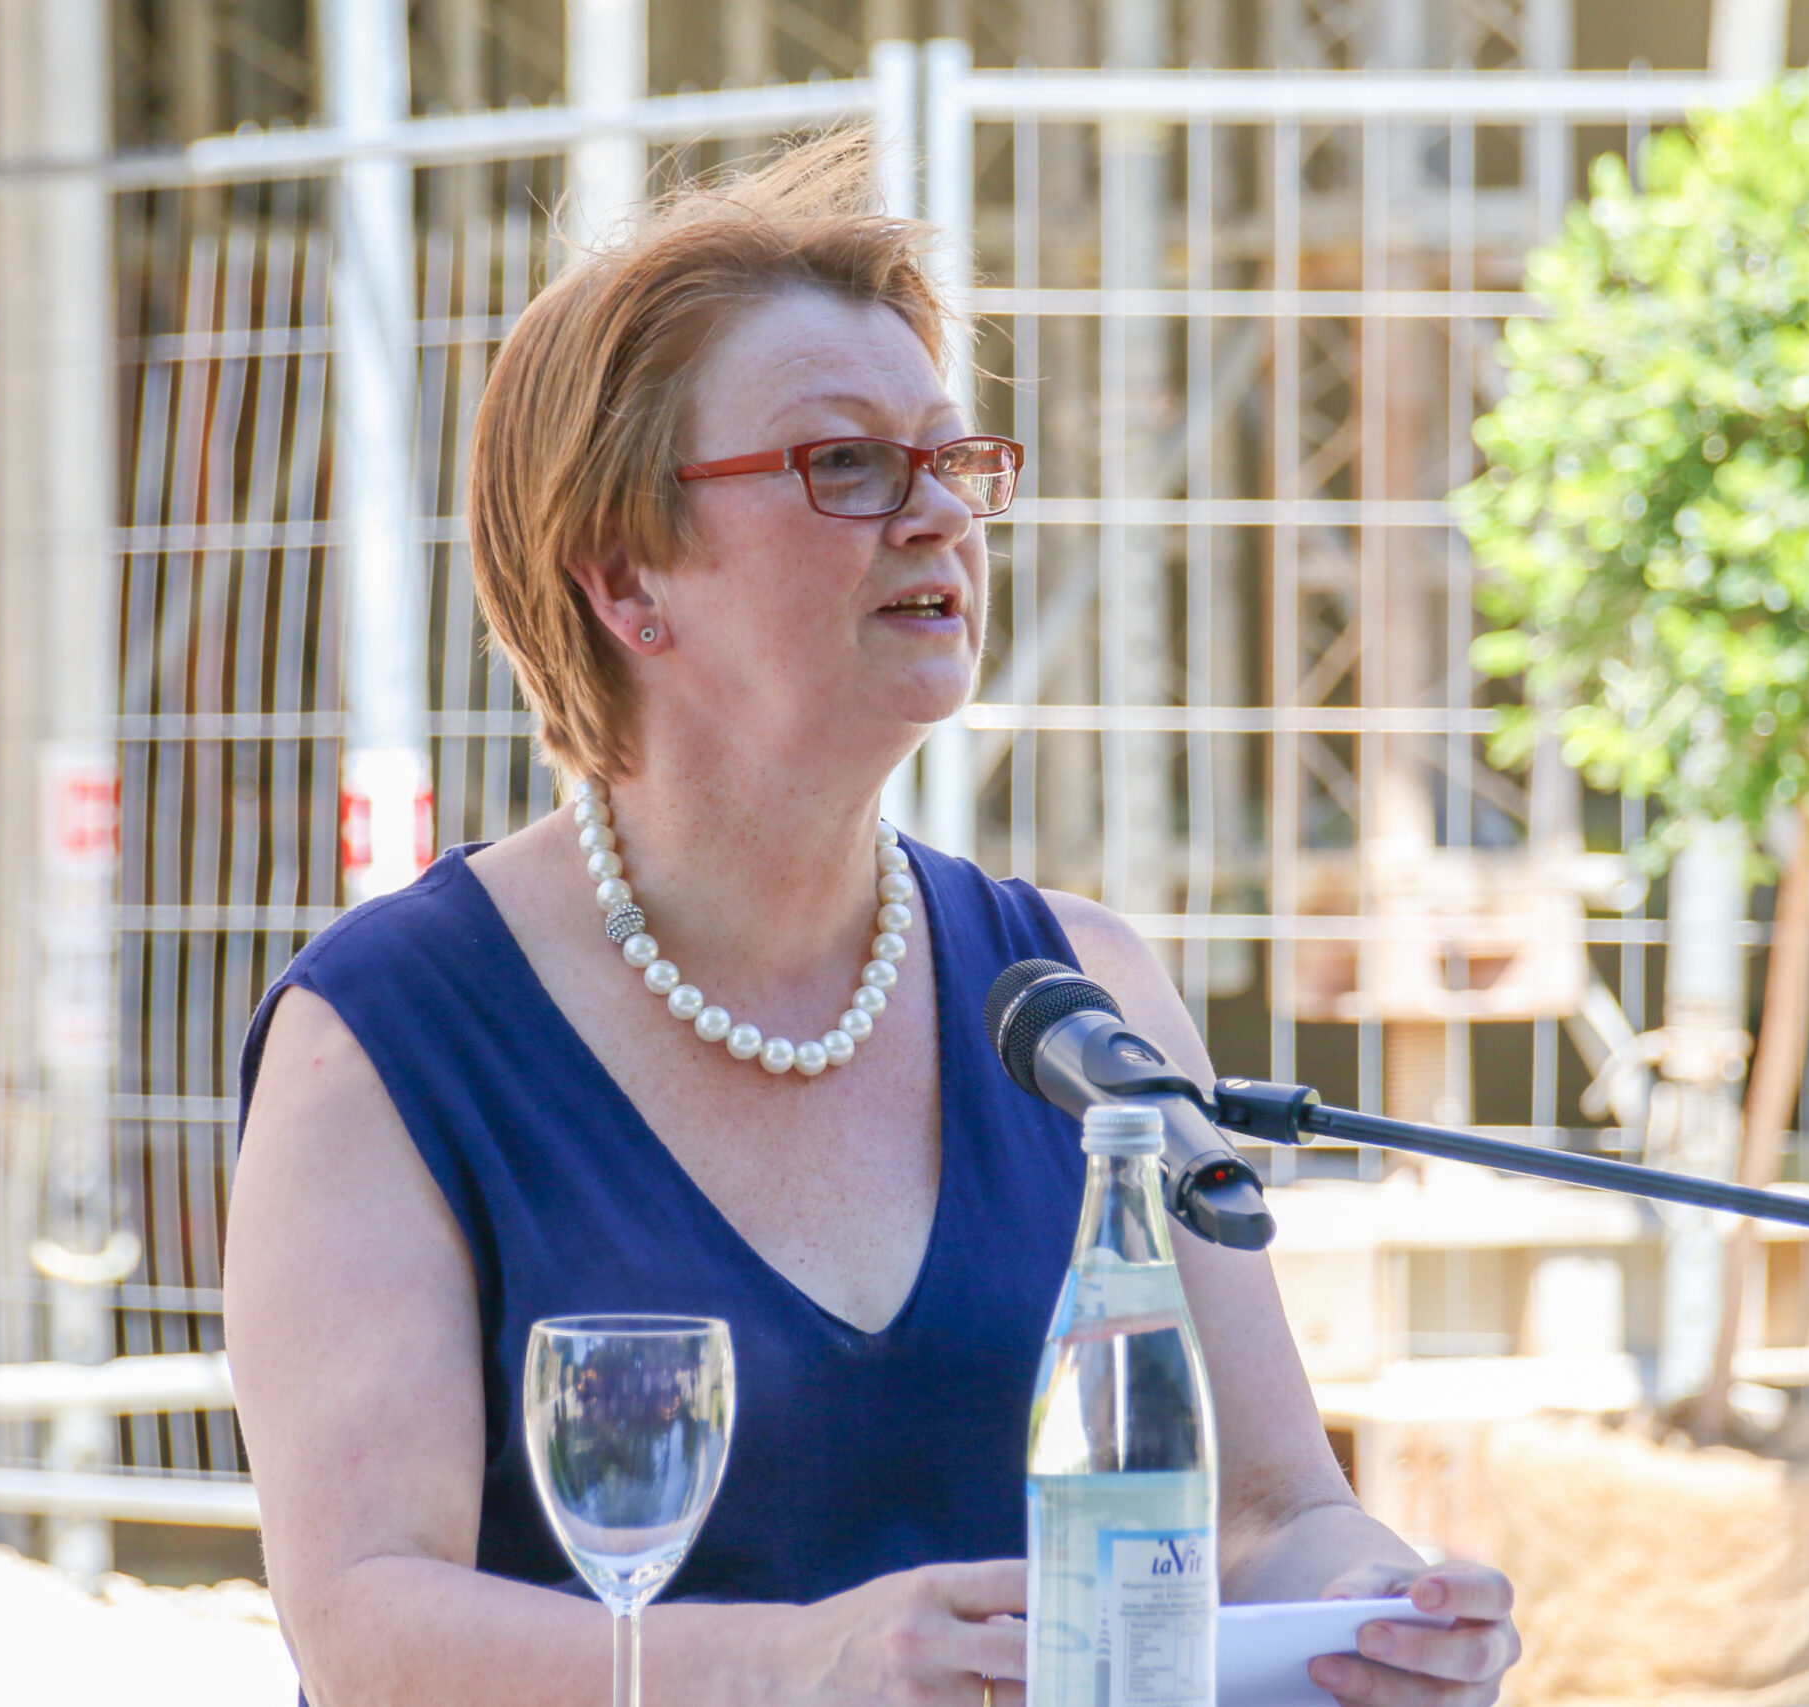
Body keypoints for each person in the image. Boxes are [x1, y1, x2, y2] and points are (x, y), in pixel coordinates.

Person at [224, 133, 1522, 1707]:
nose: (937, 517)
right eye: (844, 464)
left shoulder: (1082, 990)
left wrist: (1380, 1606)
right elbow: (365, 1620)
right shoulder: (389, 1035)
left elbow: (1268, 1513)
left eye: (952, 459)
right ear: (626, 572)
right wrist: (797, 1666)